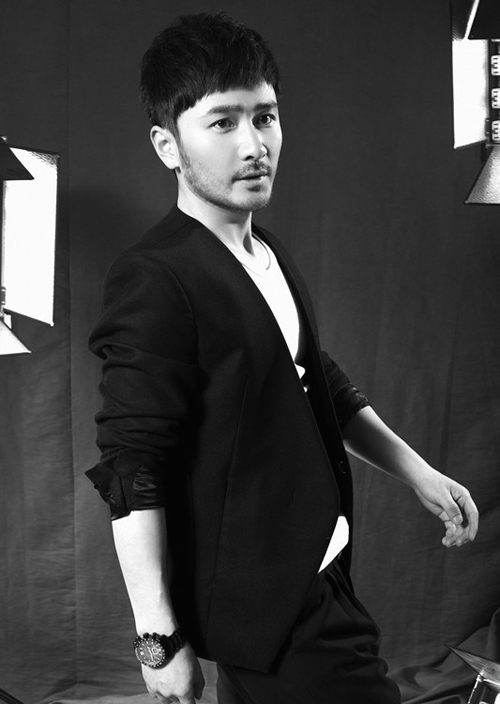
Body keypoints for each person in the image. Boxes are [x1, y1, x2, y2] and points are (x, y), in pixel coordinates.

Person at [86, 11, 479, 704]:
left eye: (264, 117)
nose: (254, 145)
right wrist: (157, 640)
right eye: (222, 122)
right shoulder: (156, 277)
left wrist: (418, 474)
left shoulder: (264, 250)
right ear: (167, 144)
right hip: (264, 600)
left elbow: (313, 378)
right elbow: (132, 466)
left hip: (321, 565)